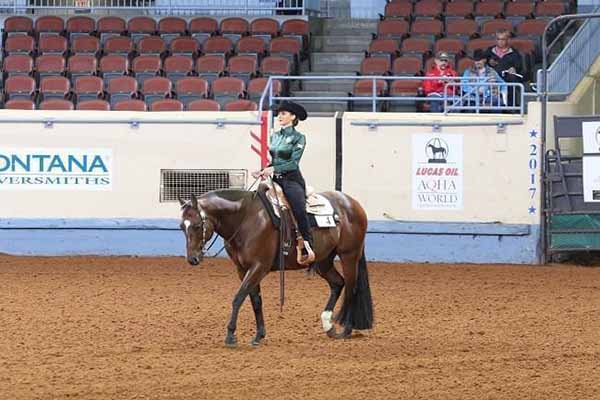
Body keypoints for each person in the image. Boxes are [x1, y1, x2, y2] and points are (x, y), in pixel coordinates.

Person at [252, 101, 315, 265]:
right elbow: (275, 160)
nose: (280, 116)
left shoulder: (299, 138)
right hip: (275, 180)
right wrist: (264, 170)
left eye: (284, 113)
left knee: (298, 208)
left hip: (292, 180)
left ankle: (307, 244)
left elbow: (293, 163)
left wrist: (272, 169)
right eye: (279, 113)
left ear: (293, 117)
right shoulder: (275, 136)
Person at [484, 29, 525, 109]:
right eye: (498, 39)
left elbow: (519, 66)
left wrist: (514, 69)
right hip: (492, 76)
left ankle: (510, 107)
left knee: (512, 79)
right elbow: (482, 62)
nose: (500, 41)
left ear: (508, 40)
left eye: (503, 39)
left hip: (507, 77)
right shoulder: (489, 51)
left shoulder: (514, 53)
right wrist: (489, 62)